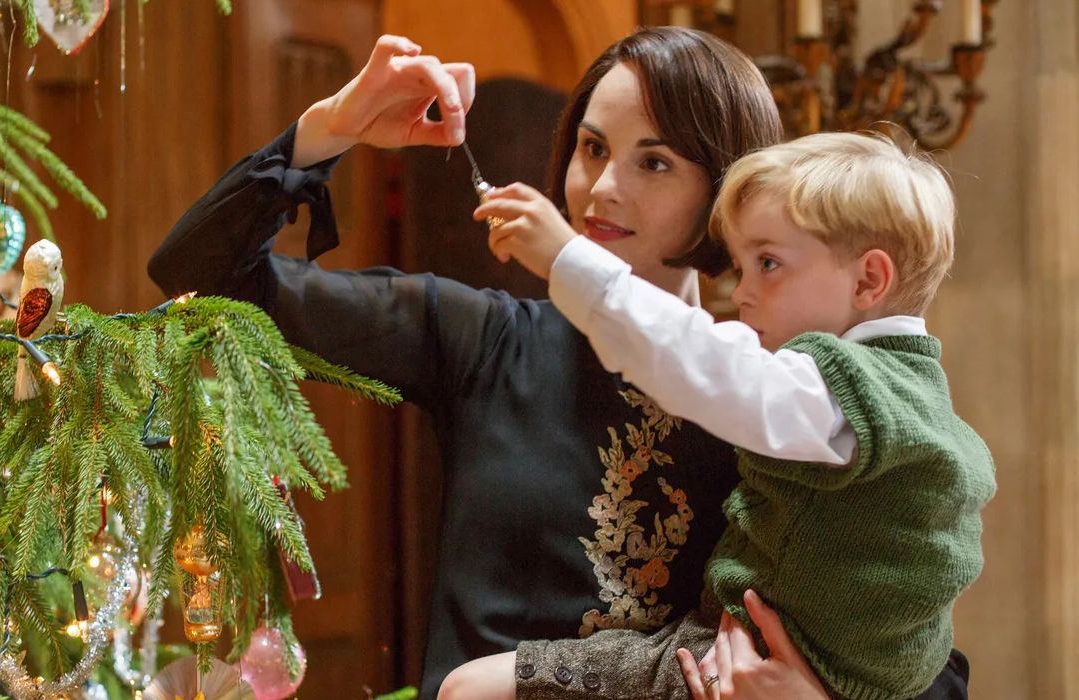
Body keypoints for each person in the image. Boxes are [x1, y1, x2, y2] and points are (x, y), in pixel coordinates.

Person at [148, 28, 969, 700]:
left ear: (724, 187)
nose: (602, 187)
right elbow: (205, 276)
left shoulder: (778, 385)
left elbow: (915, 630)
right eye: (589, 147)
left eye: (654, 162)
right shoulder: (479, 336)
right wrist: (333, 124)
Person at [443, 131, 994, 698]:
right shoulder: (913, 400)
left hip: (723, 669)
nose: (744, 291)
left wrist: (569, 261)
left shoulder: (838, 396)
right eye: (740, 265)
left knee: (469, 688)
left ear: (869, 279)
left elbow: (705, 362)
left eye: (769, 263)